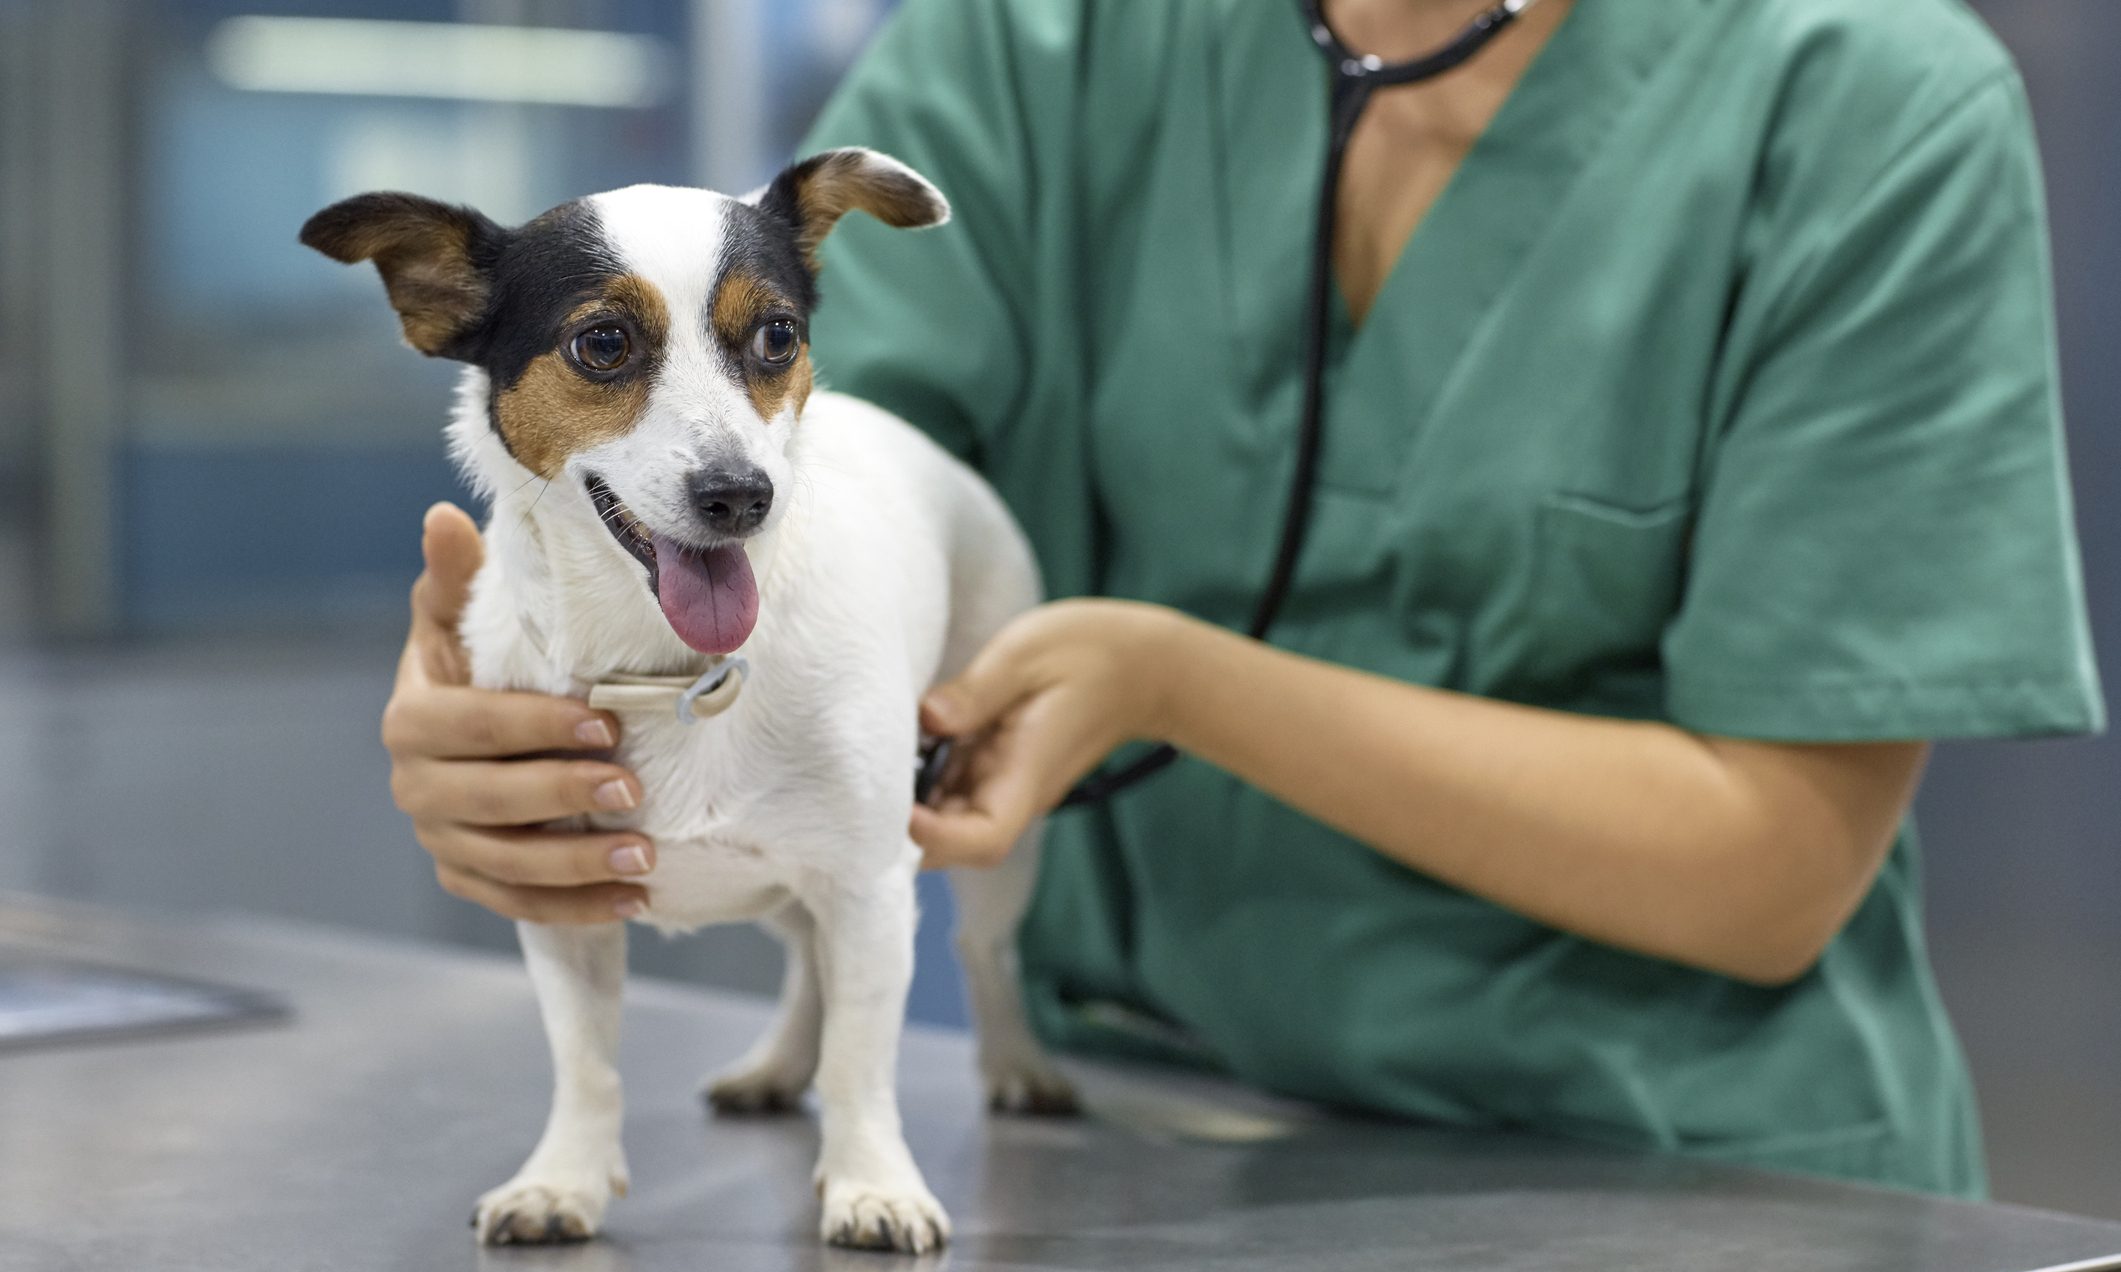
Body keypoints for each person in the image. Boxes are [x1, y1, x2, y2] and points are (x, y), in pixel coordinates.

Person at [383, 0, 2102, 1197]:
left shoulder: (1870, 108)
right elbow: (798, 466)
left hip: (1691, 1180)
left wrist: (1178, 683)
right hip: (1133, 1136)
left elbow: (1774, 867)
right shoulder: (1038, 40)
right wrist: (534, 686)